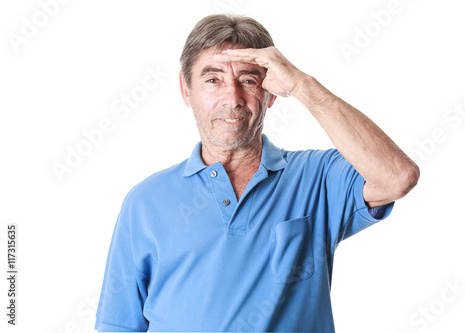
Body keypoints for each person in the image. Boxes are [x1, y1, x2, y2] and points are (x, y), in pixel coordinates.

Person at [95, 14, 419, 332]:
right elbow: (119, 327)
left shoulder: (317, 178)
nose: (232, 99)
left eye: (248, 80)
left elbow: (397, 176)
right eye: (213, 80)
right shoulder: (144, 203)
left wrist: (302, 85)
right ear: (185, 88)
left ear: (270, 92)